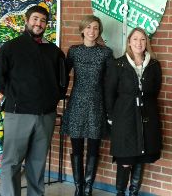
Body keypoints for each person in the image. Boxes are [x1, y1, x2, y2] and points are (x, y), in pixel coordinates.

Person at [0, 5, 67, 196]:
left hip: (46, 116)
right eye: (35, 19)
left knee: (37, 163)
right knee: (12, 162)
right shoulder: (11, 47)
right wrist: (15, 95)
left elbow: (62, 82)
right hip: (19, 113)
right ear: (27, 20)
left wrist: (52, 100)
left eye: (42, 20)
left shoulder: (54, 52)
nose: (38, 23)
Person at [105, 27, 163, 196]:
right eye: (135, 39)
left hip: (147, 116)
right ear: (129, 42)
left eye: (142, 39)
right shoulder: (118, 64)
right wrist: (111, 116)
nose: (139, 43)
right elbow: (109, 93)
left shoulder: (153, 64)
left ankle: (134, 193)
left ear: (147, 42)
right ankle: (120, 193)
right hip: (124, 116)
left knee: (140, 159)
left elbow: (155, 90)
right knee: (126, 159)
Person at [61, 15, 113, 196]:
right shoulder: (73, 51)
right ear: (82, 30)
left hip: (97, 104)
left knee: (93, 147)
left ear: (99, 32)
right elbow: (63, 76)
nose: (92, 31)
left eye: (96, 28)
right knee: (76, 147)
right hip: (76, 102)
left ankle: (88, 187)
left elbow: (110, 82)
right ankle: (78, 187)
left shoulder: (106, 53)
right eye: (89, 27)